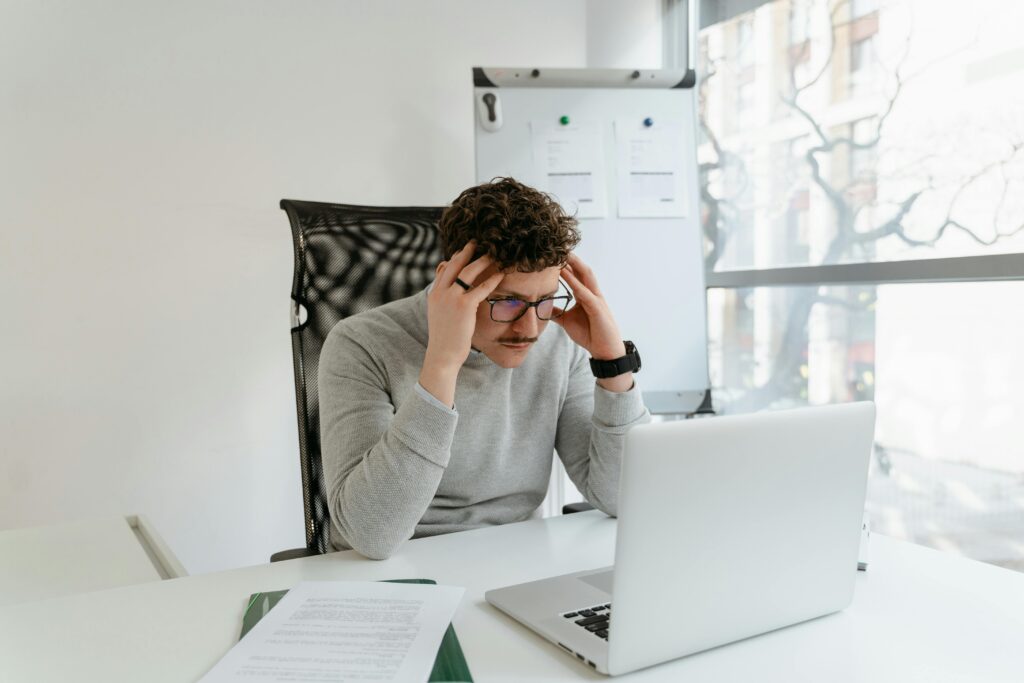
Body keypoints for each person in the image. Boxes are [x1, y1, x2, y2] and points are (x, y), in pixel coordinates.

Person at [318, 177, 650, 559]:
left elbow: (623, 499)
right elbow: (371, 535)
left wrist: (612, 364)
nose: (529, 329)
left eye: (544, 301)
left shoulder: (559, 343)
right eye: (506, 302)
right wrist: (442, 363)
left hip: (512, 564)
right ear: (450, 282)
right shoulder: (361, 343)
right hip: (392, 572)